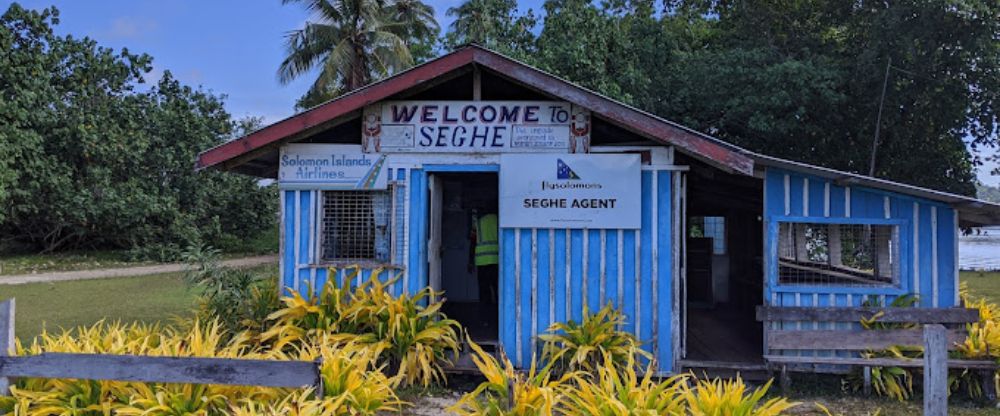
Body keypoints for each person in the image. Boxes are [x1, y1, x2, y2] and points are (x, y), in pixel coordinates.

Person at [469, 207, 499, 325]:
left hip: (482, 261)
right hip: (497, 261)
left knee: (484, 293)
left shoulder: (478, 223)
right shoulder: (499, 219)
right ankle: (498, 319)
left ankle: (485, 320)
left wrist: (470, 261)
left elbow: (472, 243)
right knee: (498, 291)